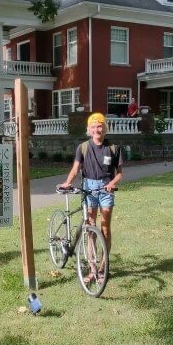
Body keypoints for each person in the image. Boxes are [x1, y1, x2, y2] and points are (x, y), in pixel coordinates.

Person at [59, 112, 123, 283]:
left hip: (106, 188)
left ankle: (103, 269)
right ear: (89, 129)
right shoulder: (83, 148)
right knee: (90, 227)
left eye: (100, 126)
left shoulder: (114, 148)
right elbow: (75, 169)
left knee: (105, 229)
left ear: (105, 128)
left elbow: (120, 174)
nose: (97, 129)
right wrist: (67, 182)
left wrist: (111, 183)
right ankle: (92, 269)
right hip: (89, 187)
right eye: (93, 126)